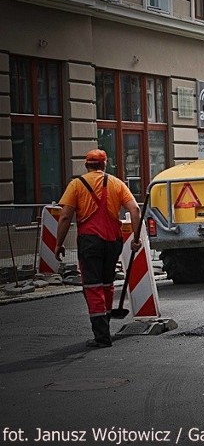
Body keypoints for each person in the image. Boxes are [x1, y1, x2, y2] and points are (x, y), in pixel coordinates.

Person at [53, 149, 141, 348]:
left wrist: (58, 243)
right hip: (113, 242)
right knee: (106, 284)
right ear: (105, 164)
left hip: (90, 242)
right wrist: (135, 238)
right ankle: (105, 324)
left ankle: (102, 337)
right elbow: (135, 210)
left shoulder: (76, 185)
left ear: (86, 165)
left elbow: (65, 216)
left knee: (92, 287)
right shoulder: (117, 183)